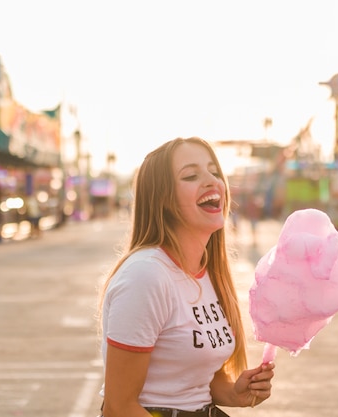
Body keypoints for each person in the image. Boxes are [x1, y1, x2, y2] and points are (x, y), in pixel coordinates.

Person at [96, 137, 275, 417]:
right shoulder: (146, 275)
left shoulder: (208, 273)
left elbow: (191, 383)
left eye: (215, 172)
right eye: (191, 175)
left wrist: (235, 393)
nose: (212, 181)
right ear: (163, 200)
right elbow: (119, 408)